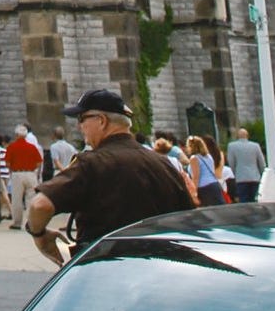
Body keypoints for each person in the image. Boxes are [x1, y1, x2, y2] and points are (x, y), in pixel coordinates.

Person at [26, 88, 193, 265]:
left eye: (82, 119)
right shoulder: (164, 164)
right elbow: (187, 219)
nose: (79, 126)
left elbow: (40, 205)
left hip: (106, 270)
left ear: (102, 121)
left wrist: (39, 235)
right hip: (161, 269)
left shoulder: (91, 164)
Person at [4, 125, 42, 227]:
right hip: (30, 173)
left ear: (16, 135)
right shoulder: (32, 147)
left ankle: (17, 222)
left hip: (17, 173)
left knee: (17, 199)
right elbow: (39, 162)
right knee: (31, 199)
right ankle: (30, 221)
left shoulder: (12, 147)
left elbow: (7, 163)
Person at [225, 127, 265, 203]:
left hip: (240, 178)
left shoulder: (231, 146)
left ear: (238, 135)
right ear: (247, 135)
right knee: (255, 200)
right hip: (255, 177)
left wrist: (234, 174)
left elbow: (231, 162)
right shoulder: (255, 146)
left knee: (244, 200)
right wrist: (262, 173)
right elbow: (261, 162)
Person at [187, 135, 226, 206]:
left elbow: (196, 176)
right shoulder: (208, 156)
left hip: (204, 187)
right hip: (214, 184)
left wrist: (194, 193)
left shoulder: (194, 158)